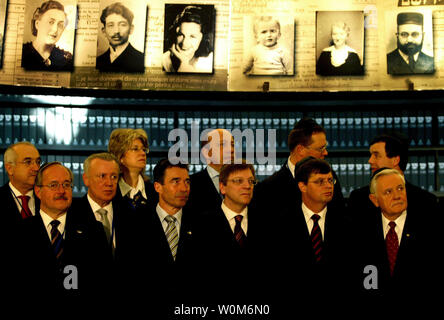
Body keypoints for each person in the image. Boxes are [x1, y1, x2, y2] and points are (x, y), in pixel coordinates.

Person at [23, 162, 110, 296]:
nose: (61, 191)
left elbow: (102, 282)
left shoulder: (94, 230)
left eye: (66, 185)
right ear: (38, 191)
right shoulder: (18, 232)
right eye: (54, 185)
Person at [193, 161, 269, 303]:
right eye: (238, 181)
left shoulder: (268, 223)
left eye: (251, 181)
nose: (247, 186)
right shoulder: (201, 225)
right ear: (222, 187)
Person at [355, 169, 436, 297]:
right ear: (374, 200)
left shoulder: (429, 228)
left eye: (400, 189)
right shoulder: (361, 233)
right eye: (388, 192)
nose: (397, 196)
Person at [252, 118, 344, 214]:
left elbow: (340, 215)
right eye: (321, 149)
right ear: (300, 149)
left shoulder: (329, 177)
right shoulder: (269, 188)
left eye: (325, 147)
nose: (325, 153)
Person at [348, 133, 438, 219]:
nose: (370, 161)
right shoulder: (358, 199)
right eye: (371, 155)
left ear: (395, 160)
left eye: (376, 155)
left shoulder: (426, 201)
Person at [0, 142, 41, 295]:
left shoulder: (50, 201)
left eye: (38, 162)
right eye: (28, 162)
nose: (36, 168)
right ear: (9, 168)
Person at [186, 128, 235, 216]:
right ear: (207, 152)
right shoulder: (190, 184)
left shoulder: (246, 183)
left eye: (232, 145)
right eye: (222, 144)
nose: (231, 150)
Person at [107, 128, 157, 211]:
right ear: (120, 156)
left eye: (144, 149)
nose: (142, 153)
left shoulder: (156, 193)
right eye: (135, 149)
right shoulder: (109, 193)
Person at [21, 0, 73, 71]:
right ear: (37, 24)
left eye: (60, 25)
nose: (55, 29)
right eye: (51, 22)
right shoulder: (21, 53)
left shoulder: (67, 60)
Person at [162, 5, 214, 73]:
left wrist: (184, 63)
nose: (184, 43)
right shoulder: (164, 60)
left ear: (202, 38)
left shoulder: (209, 61)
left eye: (192, 36)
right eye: (181, 35)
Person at [96, 2, 144, 73]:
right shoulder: (98, 61)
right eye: (111, 25)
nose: (116, 31)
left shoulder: (141, 59)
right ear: (104, 31)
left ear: (131, 29)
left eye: (122, 25)